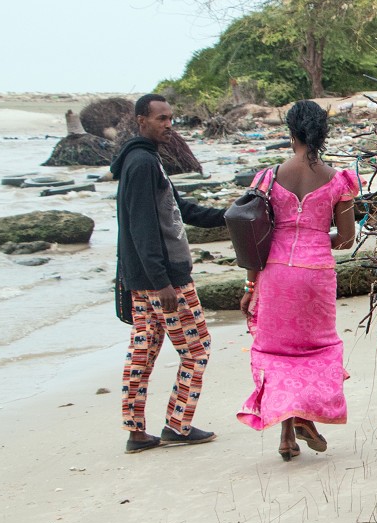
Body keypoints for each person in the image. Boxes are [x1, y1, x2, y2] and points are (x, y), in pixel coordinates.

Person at [237, 99, 359, 460]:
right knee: (314, 348)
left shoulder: (268, 177)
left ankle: (287, 436)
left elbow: (251, 236)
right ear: (323, 133)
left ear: (291, 133)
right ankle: (303, 419)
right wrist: (319, 240)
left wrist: (250, 287)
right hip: (317, 274)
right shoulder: (340, 180)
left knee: (278, 351)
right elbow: (348, 238)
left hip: (276, 273)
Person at [111, 93, 227, 453]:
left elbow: (181, 209)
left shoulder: (141, 161)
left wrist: (231, 213)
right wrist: (163, 282)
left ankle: (136, 432)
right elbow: (143, 226)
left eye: (171, 118)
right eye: (161, 118)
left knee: (143, 352)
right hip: (165, 280)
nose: (168, 125)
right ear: (141, 120)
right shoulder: (143, 163)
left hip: (140, 279)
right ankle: (178, 425)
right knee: (197, 348)